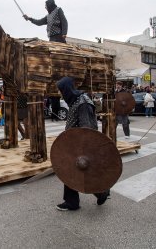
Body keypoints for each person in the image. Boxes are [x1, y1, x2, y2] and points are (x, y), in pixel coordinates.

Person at [56, 77, 110, 211]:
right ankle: (72, 201)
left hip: (81, 145)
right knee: (69, 171)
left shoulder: (83, 103)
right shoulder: (76, 101)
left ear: (67, 89)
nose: (60, 94)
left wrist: (83, 148)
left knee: (77, 171)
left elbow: (87, 128)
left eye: (61, 90)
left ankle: (100, 192)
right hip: (75, 144)